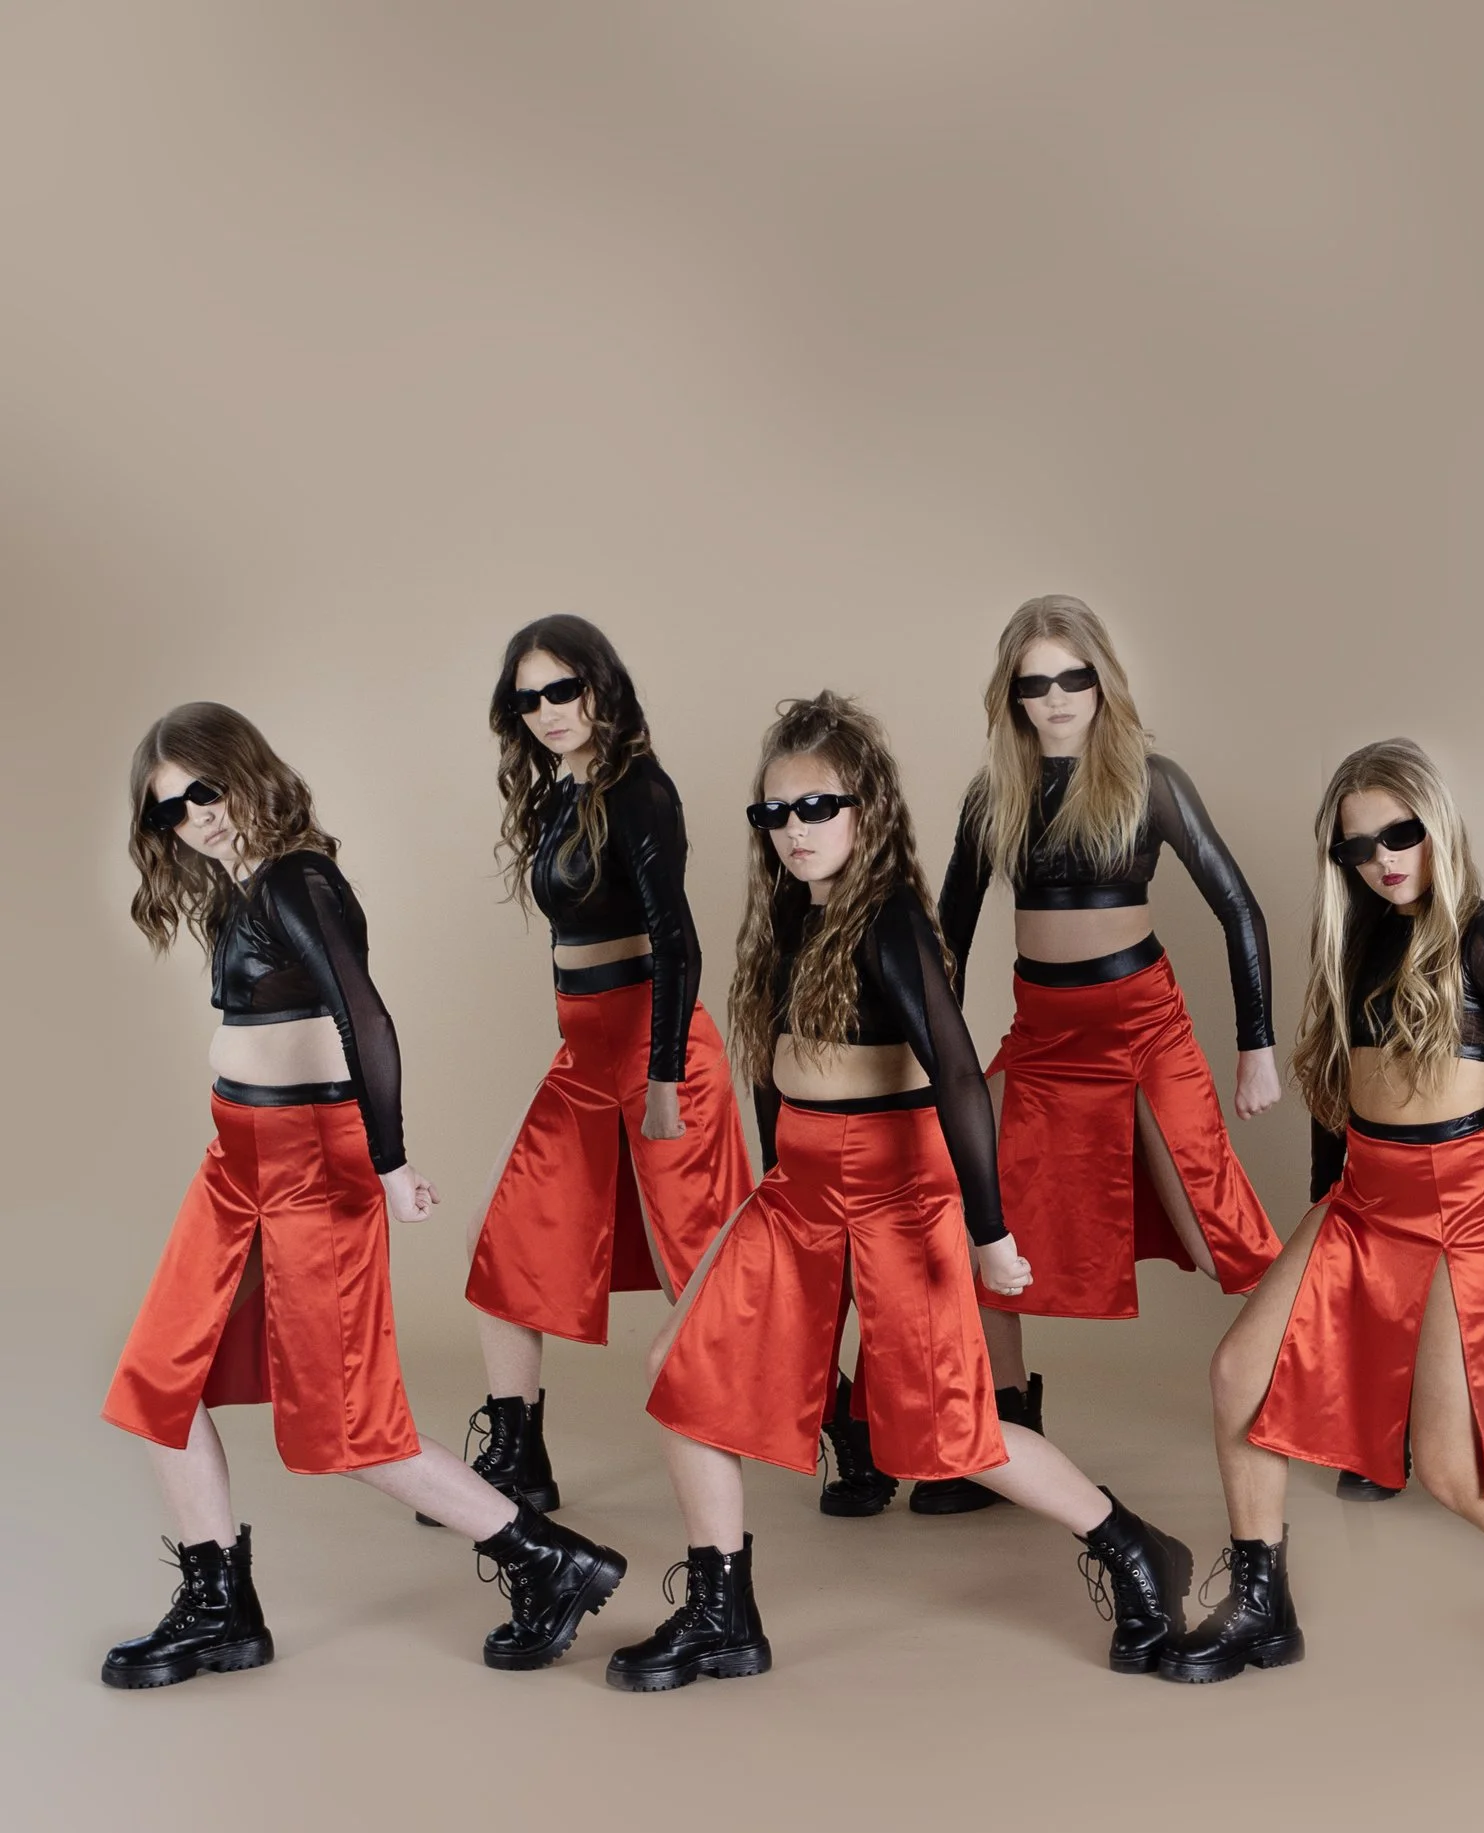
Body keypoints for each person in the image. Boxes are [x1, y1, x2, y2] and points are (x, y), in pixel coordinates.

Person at [612, 693, 1191, 1688]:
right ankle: (724, 1611)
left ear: (866, 806)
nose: (795, 831)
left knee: (951, 1433)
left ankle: (1135, 1549)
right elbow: (771, 1072)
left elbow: (960, 1074)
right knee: (683, 1377)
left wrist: (990, 1228)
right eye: (774, 813)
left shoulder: (886, 922)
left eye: (817, 807)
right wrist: (762, 1195)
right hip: (801, 1190)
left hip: (894, 1193)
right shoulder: (790, 918)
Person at [101, 703, 626, 1688]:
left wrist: (388, 1162)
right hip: (237, 1163)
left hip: (311, 1166)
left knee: (344, 1429)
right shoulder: (240, 884)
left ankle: (549, 1561)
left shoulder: (299, 877)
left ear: (244, 773)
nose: (194, 818)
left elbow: (365, 1015)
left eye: (203, 792)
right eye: (171, 810)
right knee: (155, 1383)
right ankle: (222, 1610)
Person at [1165, 738, 1484, 1691]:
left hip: (1458, 1203)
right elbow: (1340, 1094)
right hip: (1365, 1196)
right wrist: (1321, 1231)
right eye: (1360, 847)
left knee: (1449, 1466)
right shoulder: (1353, 938)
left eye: (1402, 834)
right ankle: (1264, 1605)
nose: (1386, 858)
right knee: (1238, 1372)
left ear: (1436, 826)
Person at [898, 595, 1279, 1514]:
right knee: (961, 1199)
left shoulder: (1151, 778)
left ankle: (1332, 1396)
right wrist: (926, 1052)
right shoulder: (995, 795)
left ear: (1102, 680)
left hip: (1142, 1029)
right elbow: (947, 930)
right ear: (1012, 696)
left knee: (1215, 1227)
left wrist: (1256, 1046)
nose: (1058, 696)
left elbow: (1239, 907)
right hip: (1043, 1039)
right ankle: (1003, 1425)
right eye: (1036, 683)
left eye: (1074, 676)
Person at [455, 617, 752, 1516]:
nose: (547, 712)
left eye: (562, 690)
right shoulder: (556, 797)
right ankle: (518, 1453)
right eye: (528, 698)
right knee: (500, 1244)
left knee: (706, 1270)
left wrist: (663, 1076)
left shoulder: (639, 790)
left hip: (659, 1052)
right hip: (586, 1053)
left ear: (600, 687)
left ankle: (842, 1426)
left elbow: (677, 942)